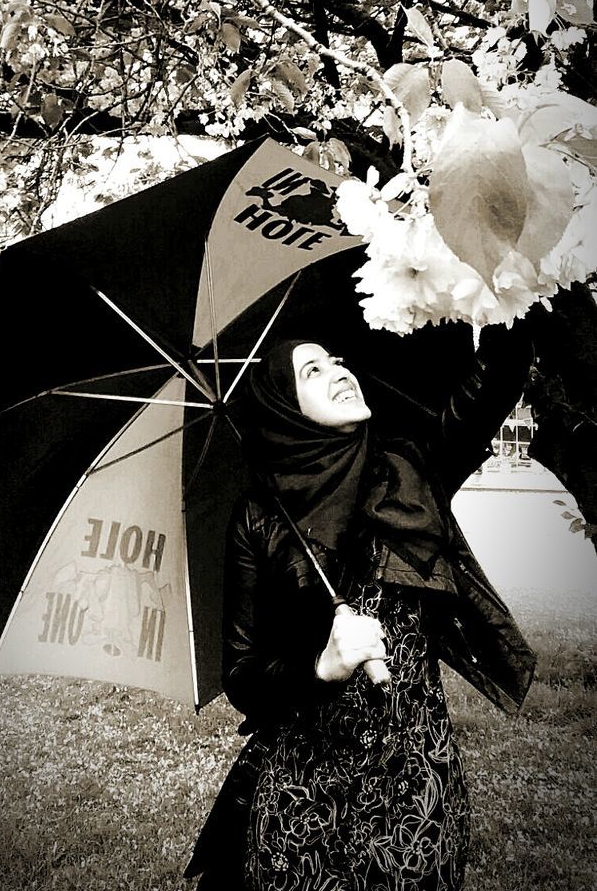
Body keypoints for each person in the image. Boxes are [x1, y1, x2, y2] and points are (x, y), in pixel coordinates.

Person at [186, 324, 537, 891]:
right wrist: (320, 667)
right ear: (285, 408)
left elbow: (491, 385)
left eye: (336, 359)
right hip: (306, 787)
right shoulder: (260, 518)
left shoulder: (410, 469)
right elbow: (243, 677)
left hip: (415, 776)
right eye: (313, 370)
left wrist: (505, 293)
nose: (339, 371)